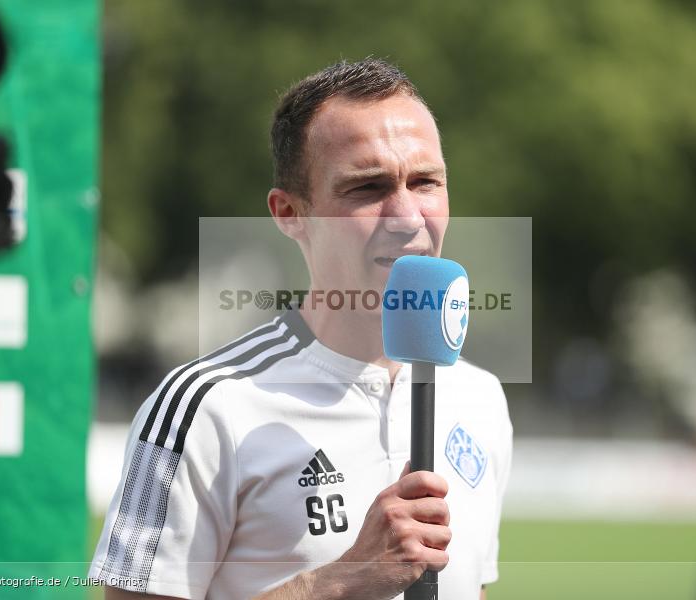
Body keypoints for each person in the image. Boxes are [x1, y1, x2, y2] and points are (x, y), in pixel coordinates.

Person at [89, 58, 513, 600]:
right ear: (289, 212)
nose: (407, 216)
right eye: (367, 188)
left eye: (426, 182)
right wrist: (340, 580)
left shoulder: (480, 397)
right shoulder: (205, 407)